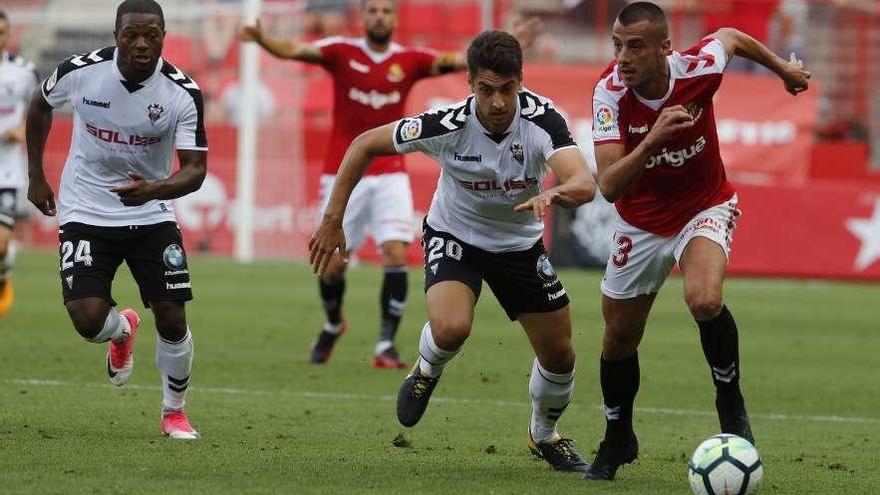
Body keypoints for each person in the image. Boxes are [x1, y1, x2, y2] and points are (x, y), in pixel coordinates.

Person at [310, 30, 596, 472]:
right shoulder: (446, 124)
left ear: (520, 81)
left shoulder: (543, 121)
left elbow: (583, 181)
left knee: (560, 355)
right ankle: (425, 370)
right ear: (470, 84)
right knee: (451, 329)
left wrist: (556, 194)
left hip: (519, 245)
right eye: (486, 90)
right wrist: (332, 220)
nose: (498, 103)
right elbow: (363, 144)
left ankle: (543, 436)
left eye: (507, 89)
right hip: (455, 234)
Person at [240, 0, 541, 369]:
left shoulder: (409, 60)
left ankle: (385, 345)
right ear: (363, 17)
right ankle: (334, 322)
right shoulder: (341, 51)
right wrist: (264, 41)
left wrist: (507, 43)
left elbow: (459, 62)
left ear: (395, 19)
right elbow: (296, 50)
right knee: (333, 267)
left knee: (396, 252)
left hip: (390, 173)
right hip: (342, 171)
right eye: (373, 11)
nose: (379, 17)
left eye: (386, 11)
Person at [583, 1, 809, 481]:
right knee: (619, 338)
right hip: (639, 223)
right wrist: (652, 139)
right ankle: (618, 436)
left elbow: (730, 36)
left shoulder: (698, 68)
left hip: (704, 204)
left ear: (665, 48)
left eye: (636, 47)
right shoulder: (608, 94)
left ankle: (729, 400)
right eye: (617, 46)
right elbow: (608, 185)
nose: (623, 57)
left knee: (704, 299)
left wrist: (784, 71)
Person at [26, 0, 208, 439]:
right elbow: (39, 105)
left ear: (164, 36)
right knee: (88, 321)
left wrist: (153, 190)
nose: (142, 44)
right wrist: (36, 175)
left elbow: (195, 170)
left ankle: (173, 412)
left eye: (152, 35)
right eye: (132, 35)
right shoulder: (80, 71)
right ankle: (122, 329)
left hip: (150, 211)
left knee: (172, 316)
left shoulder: (182, 91)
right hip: (85, 209)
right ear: (116, 35)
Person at [0, 11, 39, 317]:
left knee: (1, 245)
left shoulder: (24, 72)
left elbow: (41, 111)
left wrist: (23, 130)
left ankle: (4, 274)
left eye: (3, 32)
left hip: (7, 172)